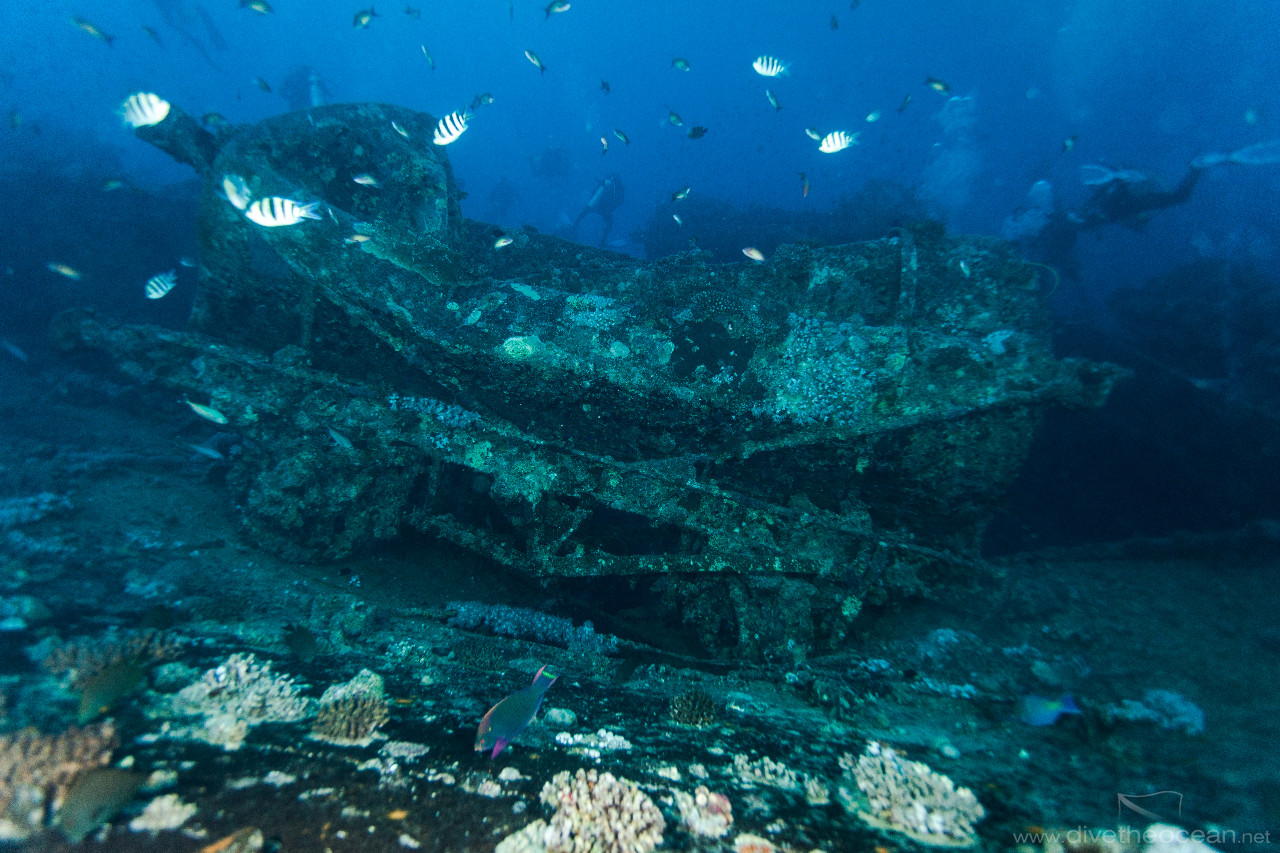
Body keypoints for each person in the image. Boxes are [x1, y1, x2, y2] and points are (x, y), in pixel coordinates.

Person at [571, 173, 624, 246]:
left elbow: (593, 192)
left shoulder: (605, 183)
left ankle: (573, 229)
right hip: (606, 208)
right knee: (609, 223)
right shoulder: (618, 187)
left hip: (596, 204)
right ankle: (602, 242)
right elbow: (620, 202)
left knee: (582, 214)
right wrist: (610, 208)